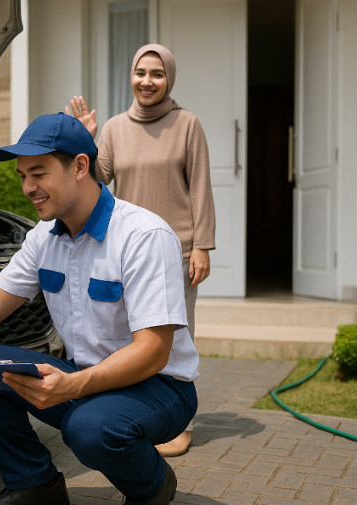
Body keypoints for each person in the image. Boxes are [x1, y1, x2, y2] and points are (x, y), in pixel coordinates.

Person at [0, 112, 199, 505]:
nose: (28, 187)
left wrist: (72, 387)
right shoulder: (43, 237)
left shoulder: (144, 236)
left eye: (38, 173)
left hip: (159, 387)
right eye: (23, 175)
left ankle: (153, 485)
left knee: (89, 430)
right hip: (84, 377)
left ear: (80, 166)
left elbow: (153, 351)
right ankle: (35, 486)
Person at [66, 43, 215, 456]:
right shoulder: (114, 127)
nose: (147, 81)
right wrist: (88, 141)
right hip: (126, 249)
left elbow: (200, 186)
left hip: (179, 249)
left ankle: (178, 422)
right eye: (140, 72)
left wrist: (203, 245)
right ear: (131, 76)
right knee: (132, 339)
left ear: (169, 79)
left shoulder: (187, 124)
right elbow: (98, 180)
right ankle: (136, 413)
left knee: (176, 337)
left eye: (157, 74)